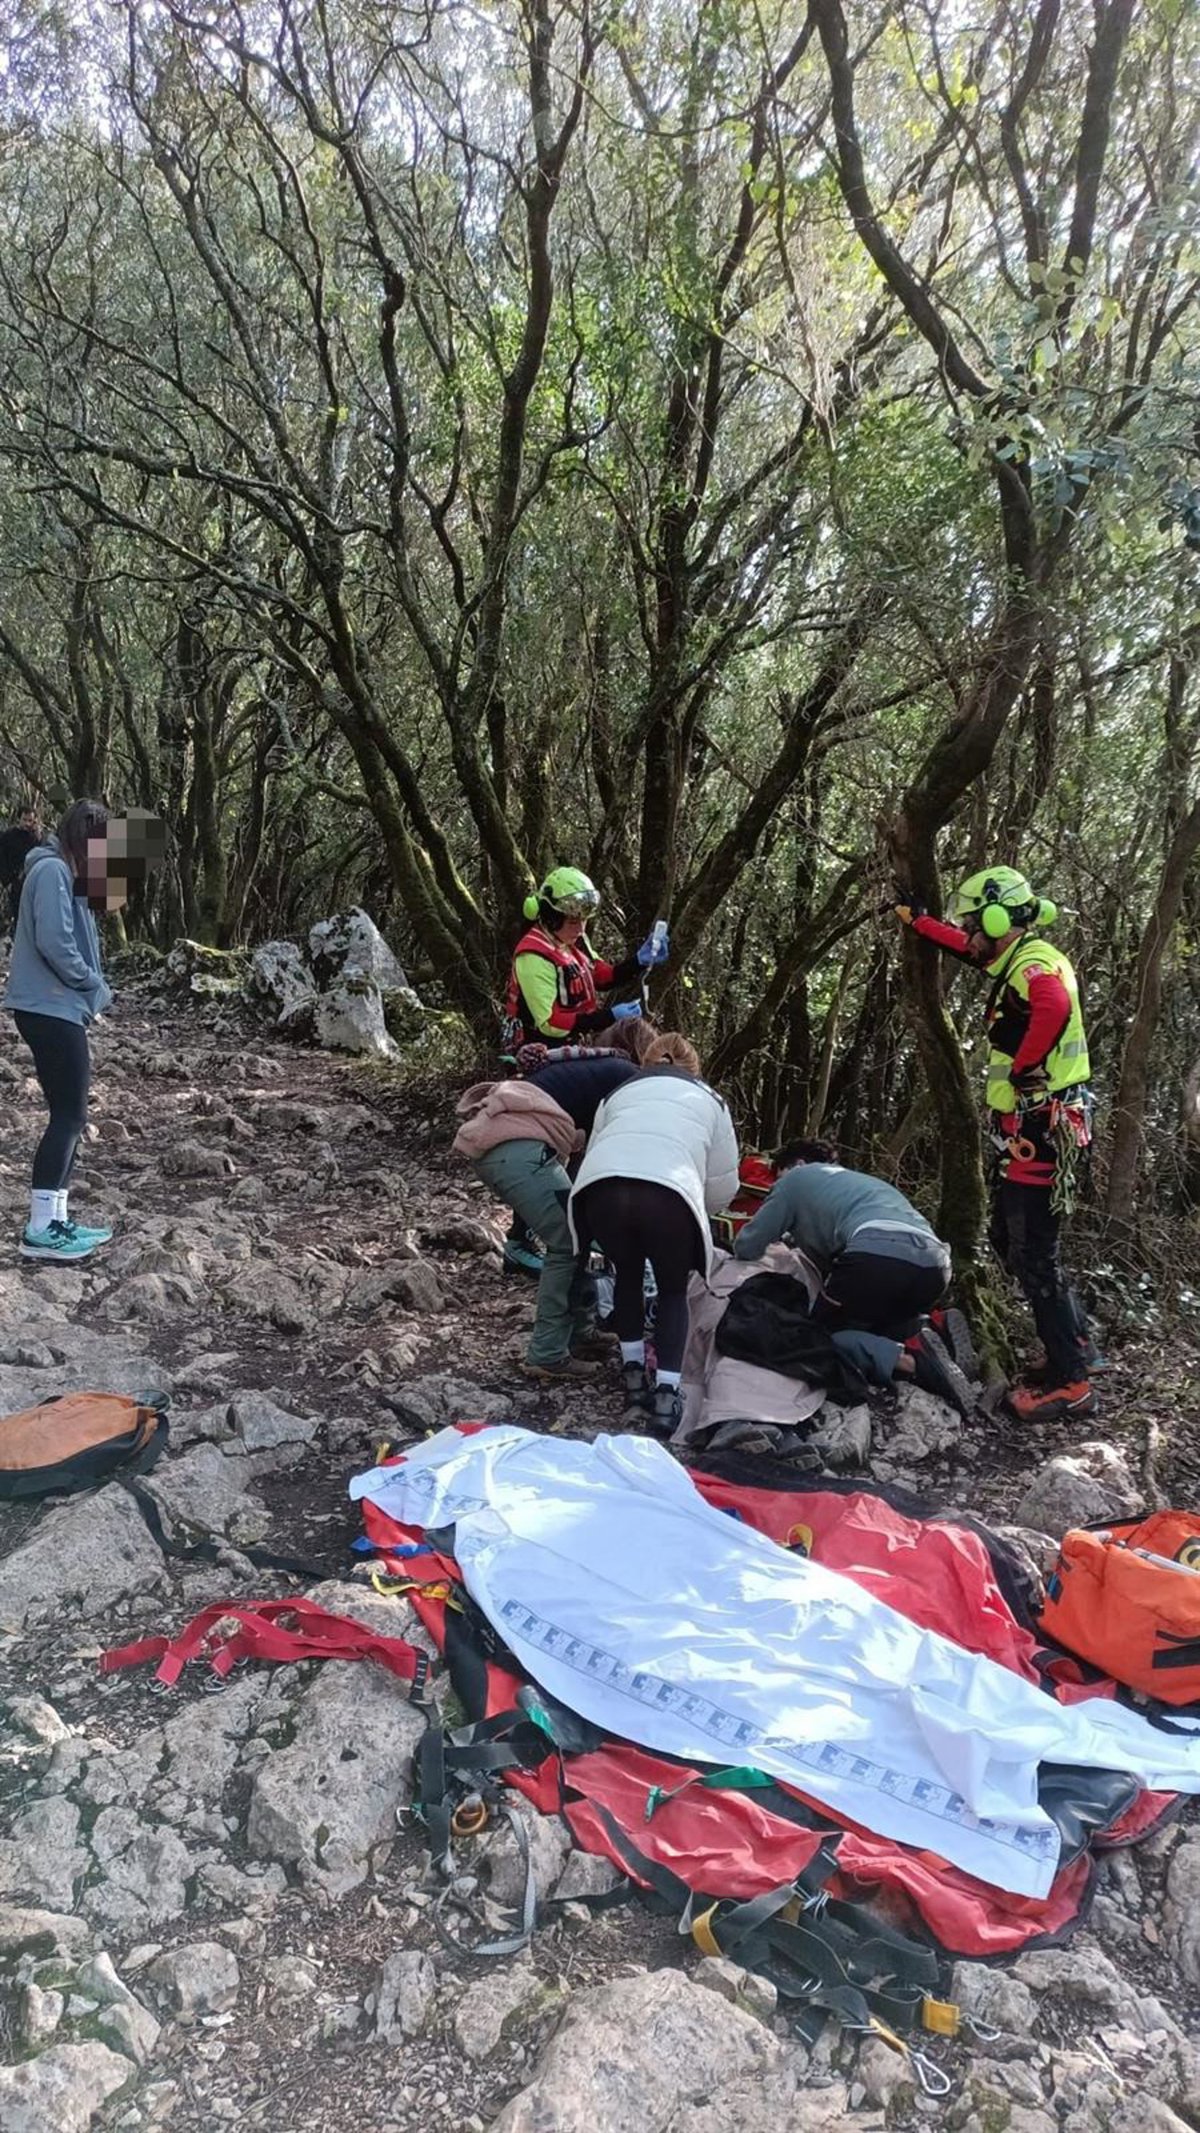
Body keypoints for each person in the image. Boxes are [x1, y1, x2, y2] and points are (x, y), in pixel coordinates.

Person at [895, 865, 1096, 1422]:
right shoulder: (1016, 955)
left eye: (973, 923)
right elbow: (968, 950)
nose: (968, 933)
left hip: (1044, 1128)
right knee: (1011, 1239)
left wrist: (1027, 1065)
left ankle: (1073, 1381)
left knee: (1032, 1252)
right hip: (1032, 1129)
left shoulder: (1033, 965)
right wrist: (919, 923)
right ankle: (1075, 1343)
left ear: (998, 920)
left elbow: (1053, 1005)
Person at [570, 1033, 739, 1436]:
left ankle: (632, 1377)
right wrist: (701, 1210)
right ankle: (666, 1395)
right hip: (669, 1193)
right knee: (672, 1291)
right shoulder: (712, 1100)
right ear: (694, 1067)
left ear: (645, 1061)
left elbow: (596, 1147)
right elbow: (723, 1181)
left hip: (602, 1190)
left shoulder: (617, 1093)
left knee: (627, 1275)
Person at [733, 1141, 970, 1414]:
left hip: (875, 1256)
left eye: (778, 1176)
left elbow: (748, 1245)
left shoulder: (795, 1179)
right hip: (935, 1266)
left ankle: (913, 1363)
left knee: (815, 1338)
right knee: (873, 1324)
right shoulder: (860, 1184)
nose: (775, 1186)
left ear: (797, 1165)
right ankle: (930, 1328)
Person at [3, 799, 115, 1261]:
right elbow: (55, 941)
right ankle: (40, 1229)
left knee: (72, 1116)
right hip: (48, 1007)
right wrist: (93, 983)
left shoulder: (62, 871)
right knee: (68, 1116)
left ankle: (56, 1220)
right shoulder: (51, 871)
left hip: (56, 1006)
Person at [453, 1074, 600, 1383]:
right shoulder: (629, 1082)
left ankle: (582, 1333)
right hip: (519, 1150)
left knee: (576, 1235)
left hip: (500, 1147)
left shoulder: (599, 1071)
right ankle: (548, 1354)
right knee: (569, 1243)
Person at [502, 867, 669, 1054]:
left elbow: (602, 976)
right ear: (552, 918)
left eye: (584, 920)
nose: (581, 929)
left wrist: (638, 961)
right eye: (573, 922)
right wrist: (609, 1017)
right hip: (537, 1049)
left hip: (575, 1041)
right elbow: (550, 1023)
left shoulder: (572, 939)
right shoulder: (533, 956)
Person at [0, 805, 42, 931]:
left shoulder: (34, 837)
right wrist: (7, 882)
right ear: (19, 819)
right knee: (19, 917)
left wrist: (38, 835)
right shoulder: (8, 836)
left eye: (30, 820)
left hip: (33, 882)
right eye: (24, 820)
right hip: (15, 882)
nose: (27, 824)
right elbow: (2, 860)